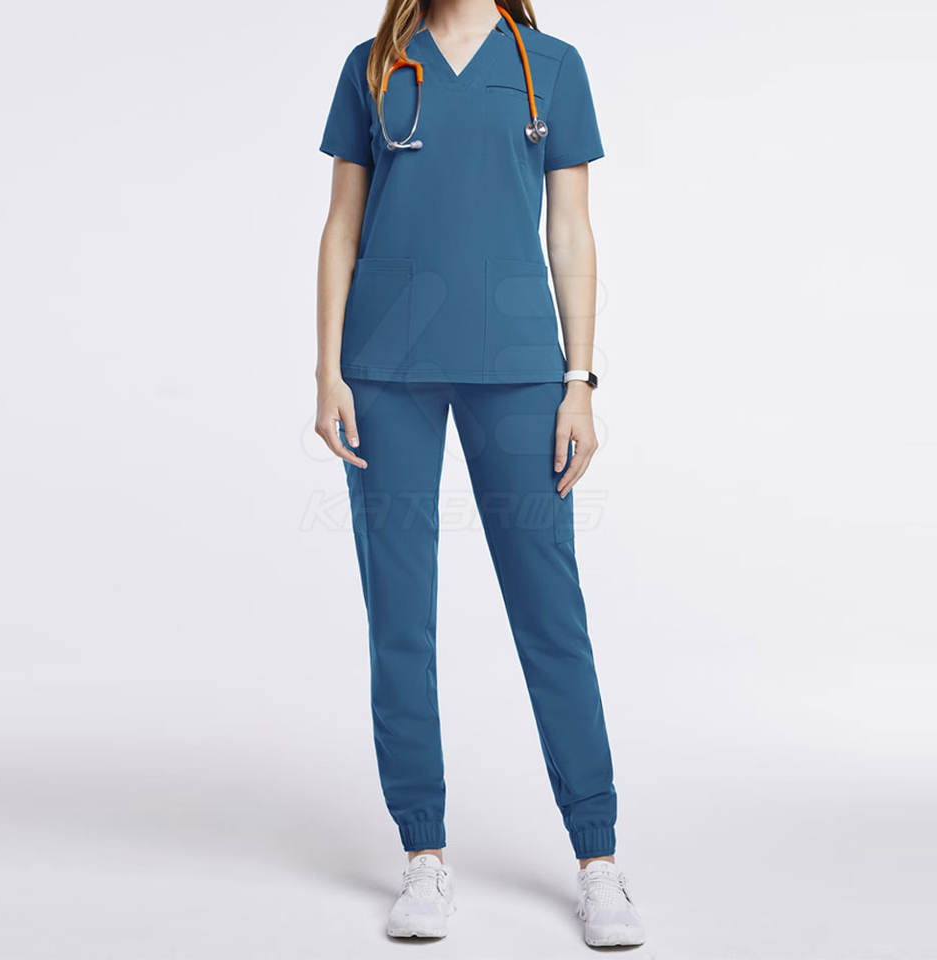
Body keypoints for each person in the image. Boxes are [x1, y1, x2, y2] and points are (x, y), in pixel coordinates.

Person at [315, 0, 644, 947]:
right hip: (385, 369)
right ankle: (423, 852)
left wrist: (579, 381)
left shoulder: (550, 66)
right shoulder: (376, 64)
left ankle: (598, 857)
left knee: (551, 613)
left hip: (520, 369)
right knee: (400, 617)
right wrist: (329, 370)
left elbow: (571, 231)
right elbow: (341, 226)